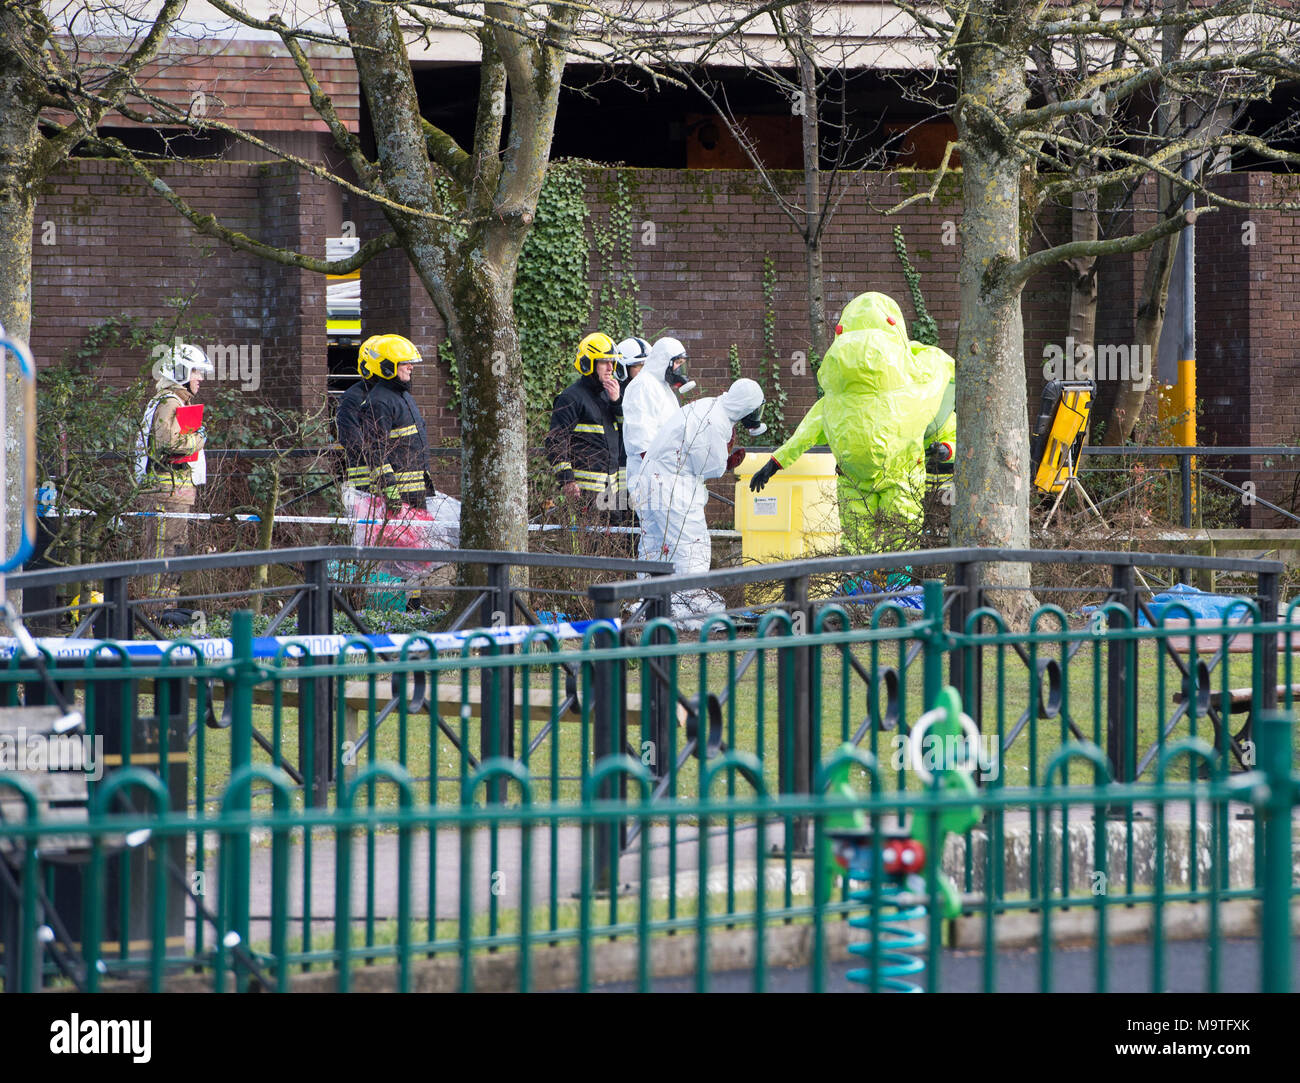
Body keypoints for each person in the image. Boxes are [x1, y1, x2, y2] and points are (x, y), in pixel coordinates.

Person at [749, 293, 952, 554]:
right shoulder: (916, 384)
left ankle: (857, 586)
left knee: (857, 545)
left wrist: (775, 463)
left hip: (852, 475)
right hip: (901, 473)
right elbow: (942, 371)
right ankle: (899, 587)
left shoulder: (836, 396)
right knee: (902, 543)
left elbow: (806, 433)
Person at [636, 378, 765, 617]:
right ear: (747, 408)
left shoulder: (710, 405)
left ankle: (646, 610)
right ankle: (689, 612)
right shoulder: (716, 422)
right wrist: (726, 462)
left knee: (654, 548)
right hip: (673, 488)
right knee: (691, 548)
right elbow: (709, 467)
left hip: (651, 481)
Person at [134, 342, 213, 625]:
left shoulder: (174, 401)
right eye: (195, 372)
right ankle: (156, 612)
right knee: (163, 548)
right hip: (167, 491)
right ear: (180, 371)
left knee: (174, 548)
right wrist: (199, 437)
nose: (200, 378)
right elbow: (167, 443)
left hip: (176, 491)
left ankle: (165, 607)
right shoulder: (170, 402)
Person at [622, 336, 702, 561]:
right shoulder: (642, 386)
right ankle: (649, 591)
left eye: (681, 364)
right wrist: (659, 474)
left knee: (663, 538)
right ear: (663, 361)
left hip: (664, 473)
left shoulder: (663, 389)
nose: (679, 369)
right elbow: (641, 437)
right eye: (676, 363)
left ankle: (662, 592)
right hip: (649, 475)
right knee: (654, 537)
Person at [545, 332, 624, 517]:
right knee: (590, 544)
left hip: (611, 492)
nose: (610, 368)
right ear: (589, 363)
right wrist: (567, 480)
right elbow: (555, 440)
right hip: (585, 495)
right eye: (604, 362)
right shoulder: (571, 398)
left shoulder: (608, 395)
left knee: (613, 542)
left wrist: (617, 403)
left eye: (612, 362)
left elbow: (624, 434)